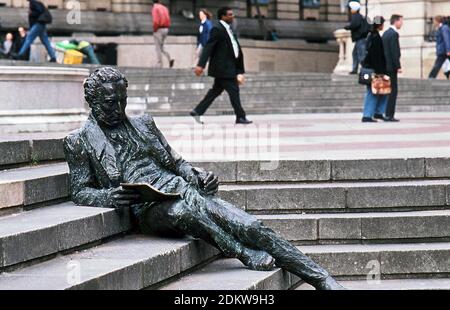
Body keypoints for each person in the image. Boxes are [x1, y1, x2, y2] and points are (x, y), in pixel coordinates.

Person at [64, 67, 346, 290]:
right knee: (183, 213)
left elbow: (176, 162)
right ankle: (241, 252)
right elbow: (80, 190)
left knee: (251, 225)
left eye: (122, 100)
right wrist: (107, 196)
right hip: (147, 207)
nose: (118, 108)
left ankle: (321, 279)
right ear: (93, 101)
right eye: (111, 103)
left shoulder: (144, 124)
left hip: (181, 187)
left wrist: (198, 174)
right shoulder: (79, 141)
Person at [191, 7, 252, 125]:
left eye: (232, 14)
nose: (232, 16)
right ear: (223, 16)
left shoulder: (228, 29)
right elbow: (209, 46)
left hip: (228, 67)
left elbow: (234, 48)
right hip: (223, 68)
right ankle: (240, 116)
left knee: (215, 91)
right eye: (230, 15)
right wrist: (201, 65)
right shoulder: (217, 28)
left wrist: (238, 68)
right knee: (234, 91)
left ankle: (198, 111)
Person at [361, 16, 389, 123]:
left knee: (381, 92)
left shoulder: (371, 36)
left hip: (371, 68)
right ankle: (367, 115)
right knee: (373, 92)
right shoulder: (376, 38)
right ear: (380, 25)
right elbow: (377, 57)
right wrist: (381, 72)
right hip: (376, 70)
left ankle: (377, 112)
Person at [380, 14, 403, 122]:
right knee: (393, 91)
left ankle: (384, 112)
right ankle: (389, 114)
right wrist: (398, 66)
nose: (402, 23)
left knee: (387, 90)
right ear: (396, 21)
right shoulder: (394, 34)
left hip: (385, 66)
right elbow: (394, 52)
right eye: (401, 21)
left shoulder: (385, 33)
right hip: (391, 67)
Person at [344, 1, 369, 74]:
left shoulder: (356, 16)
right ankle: (355, 69)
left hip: (360, 39)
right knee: (355, 54)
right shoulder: (359, 16)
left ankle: (365, 70)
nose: (350, 10)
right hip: (360, 39)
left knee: (361, 55)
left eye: (351, 8)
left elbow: (355, 25)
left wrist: (347, 27)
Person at [152, 0, 174, 68]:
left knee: (158, 47)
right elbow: (168, 19)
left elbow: (156, 21)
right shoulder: (165, 8)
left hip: (159, 29)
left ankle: (159, 64)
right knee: (161, 46)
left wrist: (155, 29)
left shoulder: (155, 8)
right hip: (166, 29)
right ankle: (170, 58)